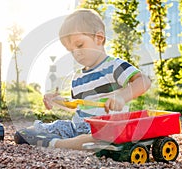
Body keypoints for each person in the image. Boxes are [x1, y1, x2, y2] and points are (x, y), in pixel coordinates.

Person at [14, 9, 151, 150]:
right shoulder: (77, 77)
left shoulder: (114, 66)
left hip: (105, 128)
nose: (76, 53)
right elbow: (76, 103)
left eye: (79, 45)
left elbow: (143, 81)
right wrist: (56, 100)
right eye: (71, 50)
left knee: (98, 139)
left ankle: (57, 143)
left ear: (99, 38)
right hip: (77, 126)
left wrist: (123, 96)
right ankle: (51, 138)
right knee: (36, 130)